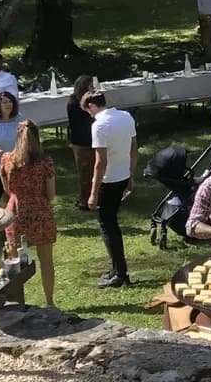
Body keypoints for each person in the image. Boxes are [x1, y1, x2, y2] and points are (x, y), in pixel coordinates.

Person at [0, 120, 57, 307]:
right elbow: (51, 194)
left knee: (13, 261)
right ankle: (50, 302)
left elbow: (7, 189)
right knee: (46, 260)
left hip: (16, 211)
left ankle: (15, 302)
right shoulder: (45, 162)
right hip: (40, 211)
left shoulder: (7, 160)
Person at [83, 91, 137, 288]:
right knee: (111, 223)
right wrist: (131, 176)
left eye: (88, 111)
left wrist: (93, 193)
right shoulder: (126, 116)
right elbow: (133, 149)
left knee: (107, 225)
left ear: (91, 106)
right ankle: (117, 269)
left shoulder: (99, 125)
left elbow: (100, 163)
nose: (89, 115)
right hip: (123, 175)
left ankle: (120, 273)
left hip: (109, 180)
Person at [67, 75, 96, 211]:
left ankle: (94, 198)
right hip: (82, 142)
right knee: (85, 174)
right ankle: (85, 201)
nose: (93, 88)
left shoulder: (84, 102)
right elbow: (85, 122)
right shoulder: (74, 104)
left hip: (90, 140)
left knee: (93, 172)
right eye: (90, 86)